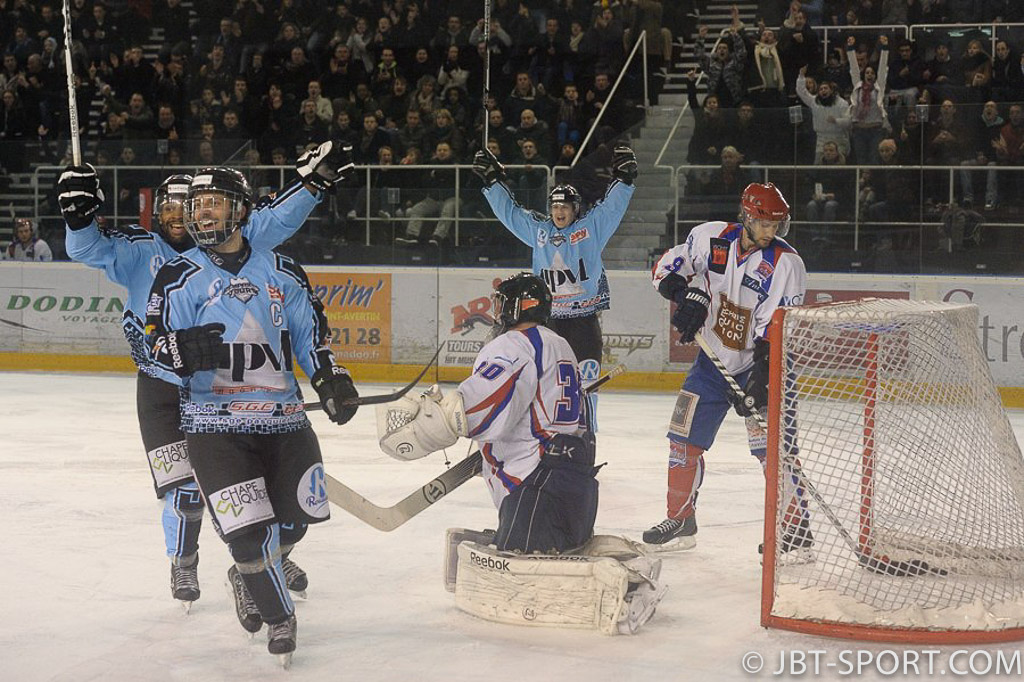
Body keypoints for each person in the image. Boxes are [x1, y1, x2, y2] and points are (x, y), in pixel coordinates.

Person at [56, 139, 354, 611]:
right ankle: (185, 558)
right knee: (187, 491)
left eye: (189, 204)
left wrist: (312, 185)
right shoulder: (138, 250)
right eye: (171, 205)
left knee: (263, 487)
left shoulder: (228, 240)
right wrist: (77, 217)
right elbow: (88, 247)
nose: (181, 214)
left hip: (221, 391)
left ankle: (266, 558)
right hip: (162, 385)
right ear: (158, 212)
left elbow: (273, 219)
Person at [143, 167, 360, 665]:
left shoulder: (284, 271)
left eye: (214, 203)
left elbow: (312, 337)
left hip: (284, 423)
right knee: (246, 533)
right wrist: (175, 350)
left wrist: (330, 378)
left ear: (241, 210)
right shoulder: (177, 276)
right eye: (197, 205)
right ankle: (278, 615)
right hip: (214, 426)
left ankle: (250, 575)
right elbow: (153, 343)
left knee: (295, 524)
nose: (202, 213)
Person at [374, 272, 666, 634]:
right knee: (558, 548)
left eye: (501, 303)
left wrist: (433, 422)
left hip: (538, 488)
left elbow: (480, 412)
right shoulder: (559, 344)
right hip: (575, 487)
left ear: (515, 307)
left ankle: (618, 587)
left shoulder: (513, 345)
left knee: (521, 575)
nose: (496, 311)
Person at [643, 182, 808, 551]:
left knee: (772, 450)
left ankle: (795, 530)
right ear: (746, 217)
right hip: (711, 364)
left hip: (765, 365)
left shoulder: (787, 264)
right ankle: (682, 518)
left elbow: (779, 329)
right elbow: (666, 267)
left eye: (777, 225)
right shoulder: (709, 238)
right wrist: (683, 295)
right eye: (765, 224)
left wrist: (762, 380)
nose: (771, 232)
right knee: (681, 443)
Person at [472, 145, 638, 422]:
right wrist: (492, 182)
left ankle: (586, 437)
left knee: (586, 388)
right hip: (547, 323)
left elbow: (612, 208)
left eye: (565, 207)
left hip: (585, 323)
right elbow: (510, 214)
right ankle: (543, 434)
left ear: (576, 209)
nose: (559, 211)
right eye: (555, 206)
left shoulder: (591, 230)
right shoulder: (540, 231)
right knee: (544, 384)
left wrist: (624, 180)